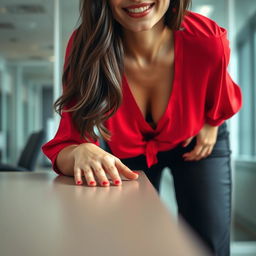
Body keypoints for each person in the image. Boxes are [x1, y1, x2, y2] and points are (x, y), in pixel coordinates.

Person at [42, 1, 243, 255]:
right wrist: (80, 150)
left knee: (208, 245)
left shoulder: (207, 39)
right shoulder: (86, 47)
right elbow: (68, 141)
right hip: (125, 153)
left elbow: (221, 95)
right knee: (131, 245)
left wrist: (212, 121)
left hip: (197, 143)